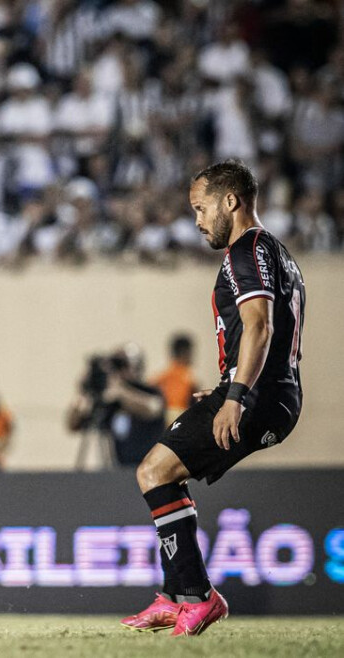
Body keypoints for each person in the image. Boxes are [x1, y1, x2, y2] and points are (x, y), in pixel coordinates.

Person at [123, 160, 305, 636]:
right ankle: (175, 595)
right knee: (166, 473)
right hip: (271, 392)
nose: (197, 220)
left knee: (154, 470)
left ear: (231, 201)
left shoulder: (246, 251)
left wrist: (237, 395)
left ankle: (199, 597)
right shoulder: (276, 251)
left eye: (201, 208)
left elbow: (260, 326)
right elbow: (272, 333)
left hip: (260, 396)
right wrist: (228, 383)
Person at [66, 344, 167, 467]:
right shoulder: (111, 401)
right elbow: (73, 425)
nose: (120, 372)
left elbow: (153, 408)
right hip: (120, 469)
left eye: (123, 365)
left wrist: (121, 392)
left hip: (148, 467)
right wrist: (85, 392)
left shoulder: (149, 392)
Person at [152, 334, 201, 425]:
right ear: (184, 353)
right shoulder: (188, 377)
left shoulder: (162, 376)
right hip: (179, 418)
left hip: (162, 419)